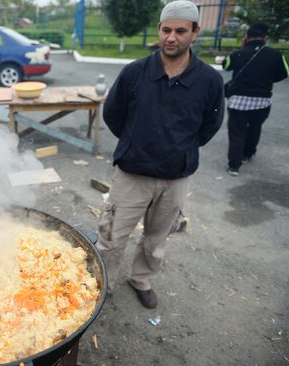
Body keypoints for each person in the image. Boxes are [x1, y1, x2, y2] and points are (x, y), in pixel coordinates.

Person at [97, 0, 224, 309]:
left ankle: (141, 279)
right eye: (166, 30)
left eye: (181, 31)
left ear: (195, 32)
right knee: (112, 235)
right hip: (131, 174)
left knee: (157, 238)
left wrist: (180, 151)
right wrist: (135, 143)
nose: (171, 37)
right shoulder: (134, 73)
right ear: (158, 30)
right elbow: (113, 115)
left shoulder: (208, 80)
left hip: (176, 178)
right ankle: (102, 284)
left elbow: (210, 125)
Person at [220, 23, 288, 177]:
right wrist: (269, 79)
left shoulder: (239, 53)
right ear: (265, 37)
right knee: (255, 127)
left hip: (238, 101)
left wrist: (240, 49)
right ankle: (248, 154)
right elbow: (285, 73)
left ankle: (234, 166)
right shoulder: (275, 55)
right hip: (262, 101)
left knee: (237, 132)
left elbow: (225, 66)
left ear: (247, 37)